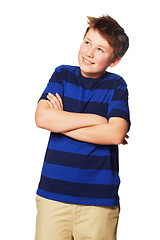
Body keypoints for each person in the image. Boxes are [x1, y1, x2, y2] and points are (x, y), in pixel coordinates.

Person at [35, 15, 130, 240]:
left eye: (100, 49)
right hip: (53, 196)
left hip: (99, 202)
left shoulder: (117, 85)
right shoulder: (62, 74)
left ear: (114, 60)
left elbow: (115, 133)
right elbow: (42, 118)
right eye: (87, 42)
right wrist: (97, 120)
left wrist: (61, 122)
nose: (89, 52)